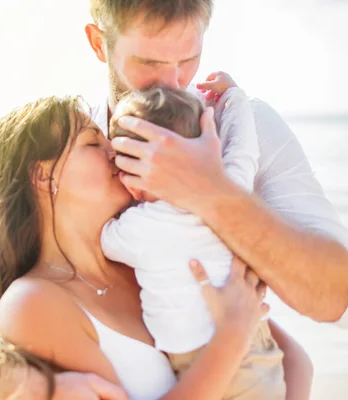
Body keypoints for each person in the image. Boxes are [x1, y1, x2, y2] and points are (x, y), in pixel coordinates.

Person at [0, 0, 347, 397]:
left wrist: (213, 192)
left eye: (189, 59)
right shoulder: (79, 141)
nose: (173, 83)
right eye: (150, 64)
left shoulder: (240, 129)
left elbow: (332, 297)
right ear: (99, 43)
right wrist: (14, 381)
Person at [0, 95, 300, 400]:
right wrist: (231, 336)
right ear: (43, 176)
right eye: (93, 142)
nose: (116, 150)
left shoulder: (144, 257)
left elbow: (294, 360)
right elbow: (242, 326)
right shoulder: (31, 304)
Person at [103, 78, 285, 399]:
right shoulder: (229, 190)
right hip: (257, 344)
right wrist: (234, 98)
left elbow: (104, 239)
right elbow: (243, 151)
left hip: (198, 359)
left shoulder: (139, 227)